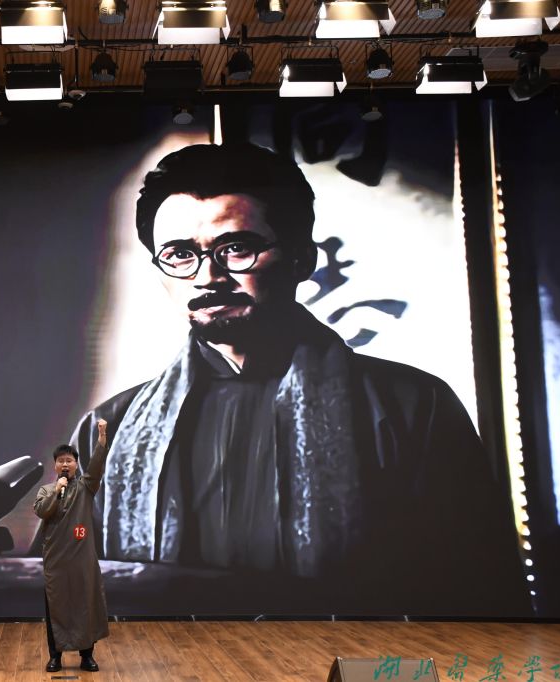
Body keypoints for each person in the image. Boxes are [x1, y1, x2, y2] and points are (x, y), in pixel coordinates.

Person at [70, 142, 529, 616]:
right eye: (179, 254)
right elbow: (75, 593)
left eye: (236, 249)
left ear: (302, 258)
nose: (207, 277)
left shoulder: (412, 406)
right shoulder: (111, 429)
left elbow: (482, 601)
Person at [34, 419, 109, 672]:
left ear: (76, 464)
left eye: (69, 460)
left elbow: (96, 468)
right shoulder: (46, 490)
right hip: (56, 562)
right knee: (56, 609)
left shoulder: (86, 487)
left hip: (82, 560)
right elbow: (42, 511)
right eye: (60, 461)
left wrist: (101, 440)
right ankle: (55, 656)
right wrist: (57, 491)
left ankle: (87, 656)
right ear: (55, 465)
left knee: (85, 606)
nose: (65, 464)